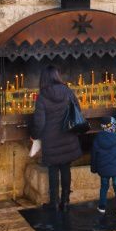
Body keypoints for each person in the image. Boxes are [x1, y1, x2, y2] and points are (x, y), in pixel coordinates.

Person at [32, 66, 83, 210]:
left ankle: (54, 202)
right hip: (68, 136)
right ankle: (65, 201)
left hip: (51, 139)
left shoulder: (42, 96)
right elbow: (77, 110)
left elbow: (39, 122)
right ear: (57, 76)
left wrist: (34, 135)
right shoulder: (67, 91)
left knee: (53, 170)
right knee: (66, 168)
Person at [90, 116, 116, 216]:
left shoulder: (97, 139)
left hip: (103, 170)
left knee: (104, 187)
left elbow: (94, 155)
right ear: (114, 126)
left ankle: (102, 207)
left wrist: (94, 168)